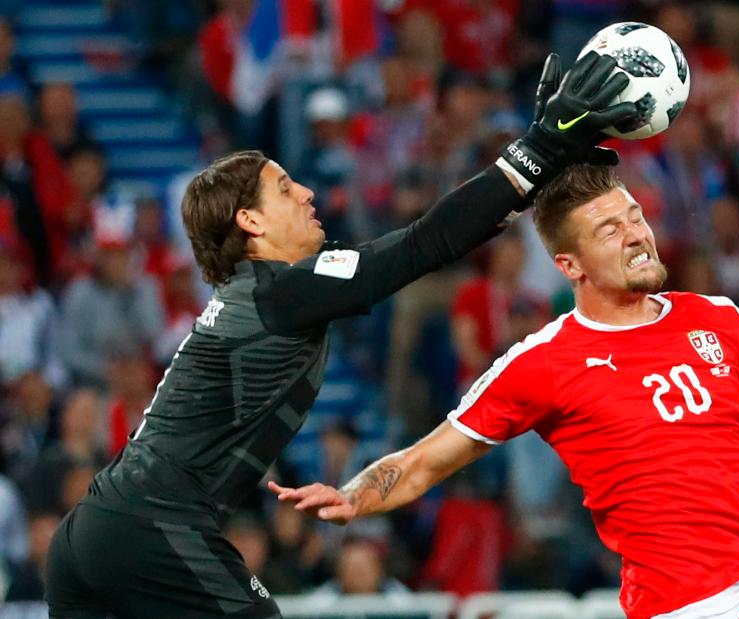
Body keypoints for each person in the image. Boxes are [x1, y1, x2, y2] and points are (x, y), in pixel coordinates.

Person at [271, 164, 739, 619]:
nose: (636, 232)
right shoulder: (543, 361)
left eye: (634, 214)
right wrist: (359, 495)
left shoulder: (719, 321)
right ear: (570, 264)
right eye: (609, 228)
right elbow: (429, 459)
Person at [44, 51, 638, 619]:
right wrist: (535, 152)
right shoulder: (283, 289)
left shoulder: (255, 297)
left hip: (91, 533)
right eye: (283, 188)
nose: (305, 192)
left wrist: (536, 166)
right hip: (155, 527)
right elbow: (425, 243)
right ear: (249, 223)